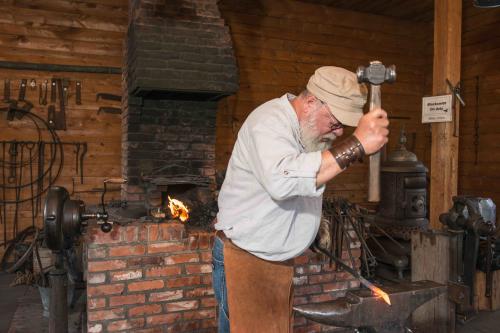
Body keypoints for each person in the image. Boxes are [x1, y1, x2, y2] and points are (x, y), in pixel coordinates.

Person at [212, 66, 389, 333]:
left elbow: (304, 174)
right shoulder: (268, 123)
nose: (339, 132)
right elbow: (283, 181)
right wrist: (357, 145)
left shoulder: (305, 132)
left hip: (272, 260)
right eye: (335, 123)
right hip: (246, 258)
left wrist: (310, 225)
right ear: (310, 103)